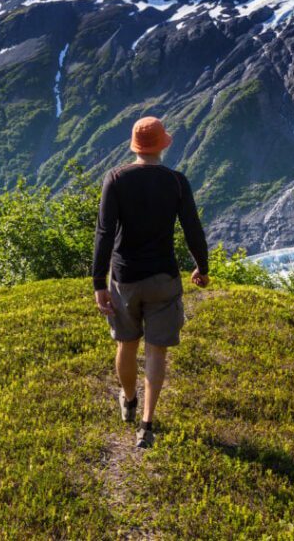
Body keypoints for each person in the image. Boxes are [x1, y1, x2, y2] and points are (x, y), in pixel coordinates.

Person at [92, 116, 210, 449]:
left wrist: (99, 282)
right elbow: (192, 229)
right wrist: (202, 266)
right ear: (163, 145)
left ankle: (128, 399)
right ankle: (147, 423)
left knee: (126, 345)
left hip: (125, 278)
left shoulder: (115, 179)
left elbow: (103, 233)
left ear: (134, 145)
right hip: (163, 277)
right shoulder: (176, 182)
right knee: (156, 351)